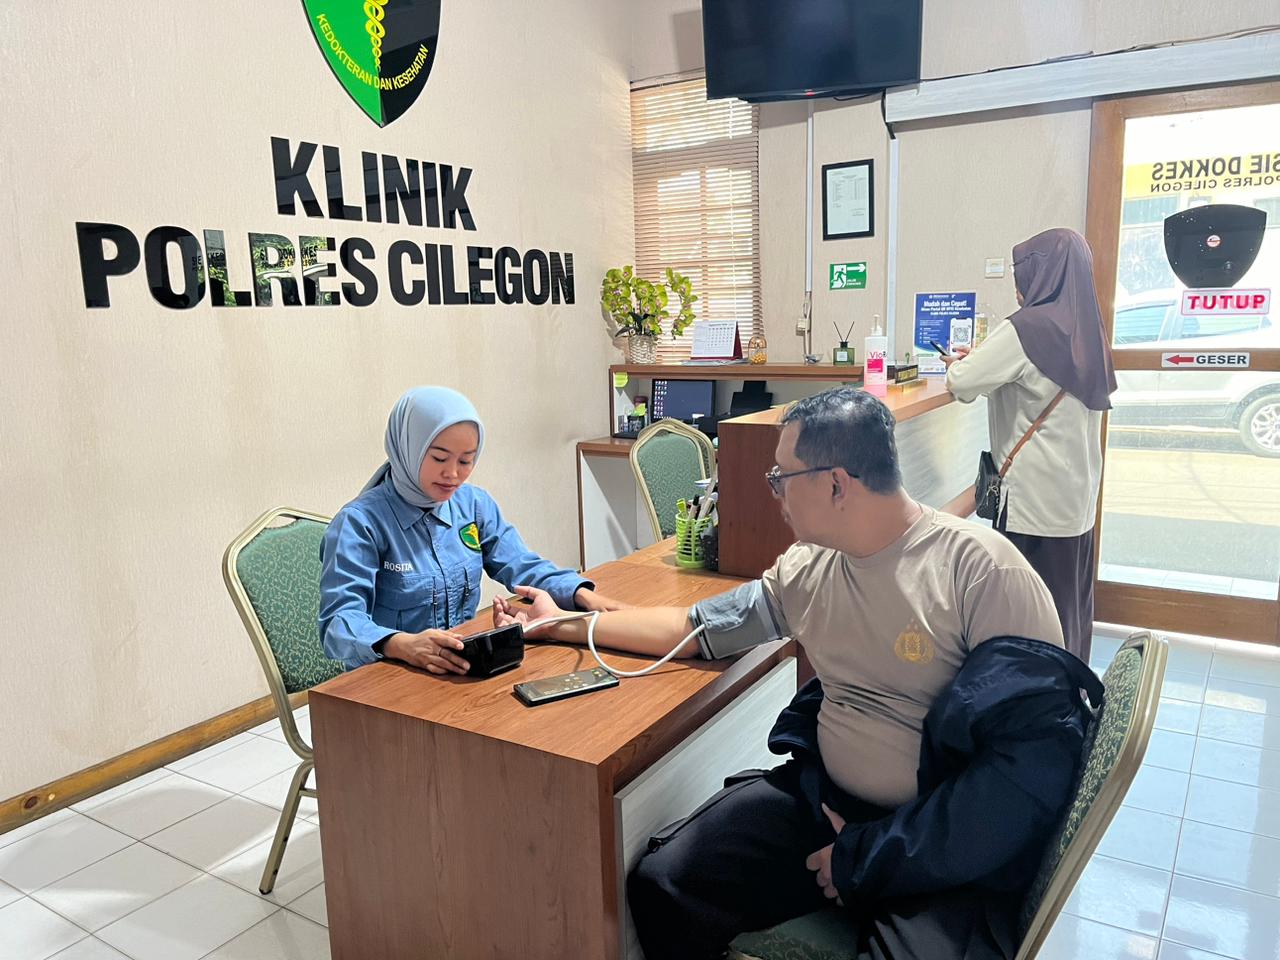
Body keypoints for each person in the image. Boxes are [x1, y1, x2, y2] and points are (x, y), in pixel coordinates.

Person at [494, 387, 1099, 960]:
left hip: (941, 843)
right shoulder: (809, 569)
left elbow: (1025, 778)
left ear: (836, 484)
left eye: (781, 477)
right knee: (666, 882)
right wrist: (562, 623)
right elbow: (693, 629)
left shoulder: (982, 573)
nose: (774, 492)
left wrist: (868, 857)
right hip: (824, 805)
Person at [319, 386, 619, 672]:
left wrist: (582, 594)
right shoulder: (359, 523)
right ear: (407, 448)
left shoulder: (472, 505)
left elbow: (521, 564)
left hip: (458, 668)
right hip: (386, 680)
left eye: (466, 460)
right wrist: (401, 644)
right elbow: (338, 622)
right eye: (439, 458)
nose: (452, 474)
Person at [944, 227, 1117, 662]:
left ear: (1042, 273)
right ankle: (1072, 688)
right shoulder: (1087, 328)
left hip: (1034, 499)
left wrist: (957, 364)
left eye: (1021, 273)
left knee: (1030, 613)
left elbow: (962, 383)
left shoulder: (1027, 327)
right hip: (1076, 498)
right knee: (1068, 604)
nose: (1018, 287)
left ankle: (1038, 695)